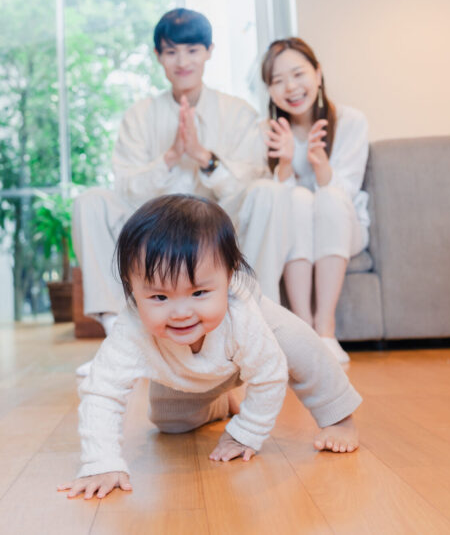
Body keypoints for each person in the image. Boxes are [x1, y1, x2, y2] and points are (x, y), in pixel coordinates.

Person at [59, 194, 361, 500]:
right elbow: (102, 392)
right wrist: (101, 462)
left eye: (199, 292)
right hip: (191, 366)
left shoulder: (243, 315)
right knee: (169, 422)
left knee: (299, 342)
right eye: (160, 297)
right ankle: (220, 403)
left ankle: (339, 418)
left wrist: (246, 433)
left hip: (253, 343)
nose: (181, 313)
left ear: (229, 277)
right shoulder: (131, 330)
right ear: (131, 287)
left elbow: (269, 376)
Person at [71, 9, 291, 375]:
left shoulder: (239, 113)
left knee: (269, 192)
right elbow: (126, 187)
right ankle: (119, 340)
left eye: (192, 50)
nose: (183, 61)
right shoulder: (139, 115)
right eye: (171, 52)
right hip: (153, 230)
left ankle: (259, 326)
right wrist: (171, 156)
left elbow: (246, 185)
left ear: (209, 51)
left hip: (221, 229)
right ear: (158, 56)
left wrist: (204, 157)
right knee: (90, 201)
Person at [261, 38, 371, 363]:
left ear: (318, 74)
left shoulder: (350, 121)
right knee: (296, 197)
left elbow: (347, 192)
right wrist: (284, 164)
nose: (291, 87)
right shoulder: (267, 132)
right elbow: (273, 206)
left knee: (330, 197)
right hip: (294, 229)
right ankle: (303, 329)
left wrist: (321, 167)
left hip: (344, 228)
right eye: (278, 80)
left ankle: (326, 329)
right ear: (269, 90)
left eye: (298, 74)